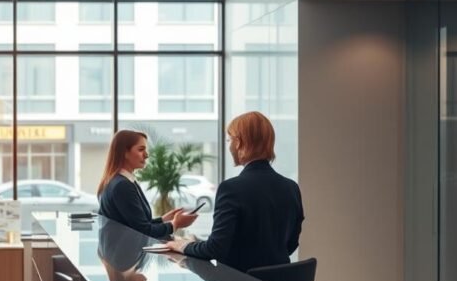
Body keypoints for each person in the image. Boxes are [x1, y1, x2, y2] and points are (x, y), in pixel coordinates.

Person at [167, 112, 303, 272]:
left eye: (228, 140)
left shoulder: (231, 188)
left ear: (238, 143)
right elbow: (291, 244)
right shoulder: (291, 187)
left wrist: (183, 245)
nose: (228, 146)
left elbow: (215, 250)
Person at [97, 130, 197, 239]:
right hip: (126, 254)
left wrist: (163, 219)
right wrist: (175, 224)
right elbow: (144, 231)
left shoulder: (121, 181)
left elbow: (138, 223)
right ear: (125, 152)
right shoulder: (122, 186)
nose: (146, 155)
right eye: (141, 150)